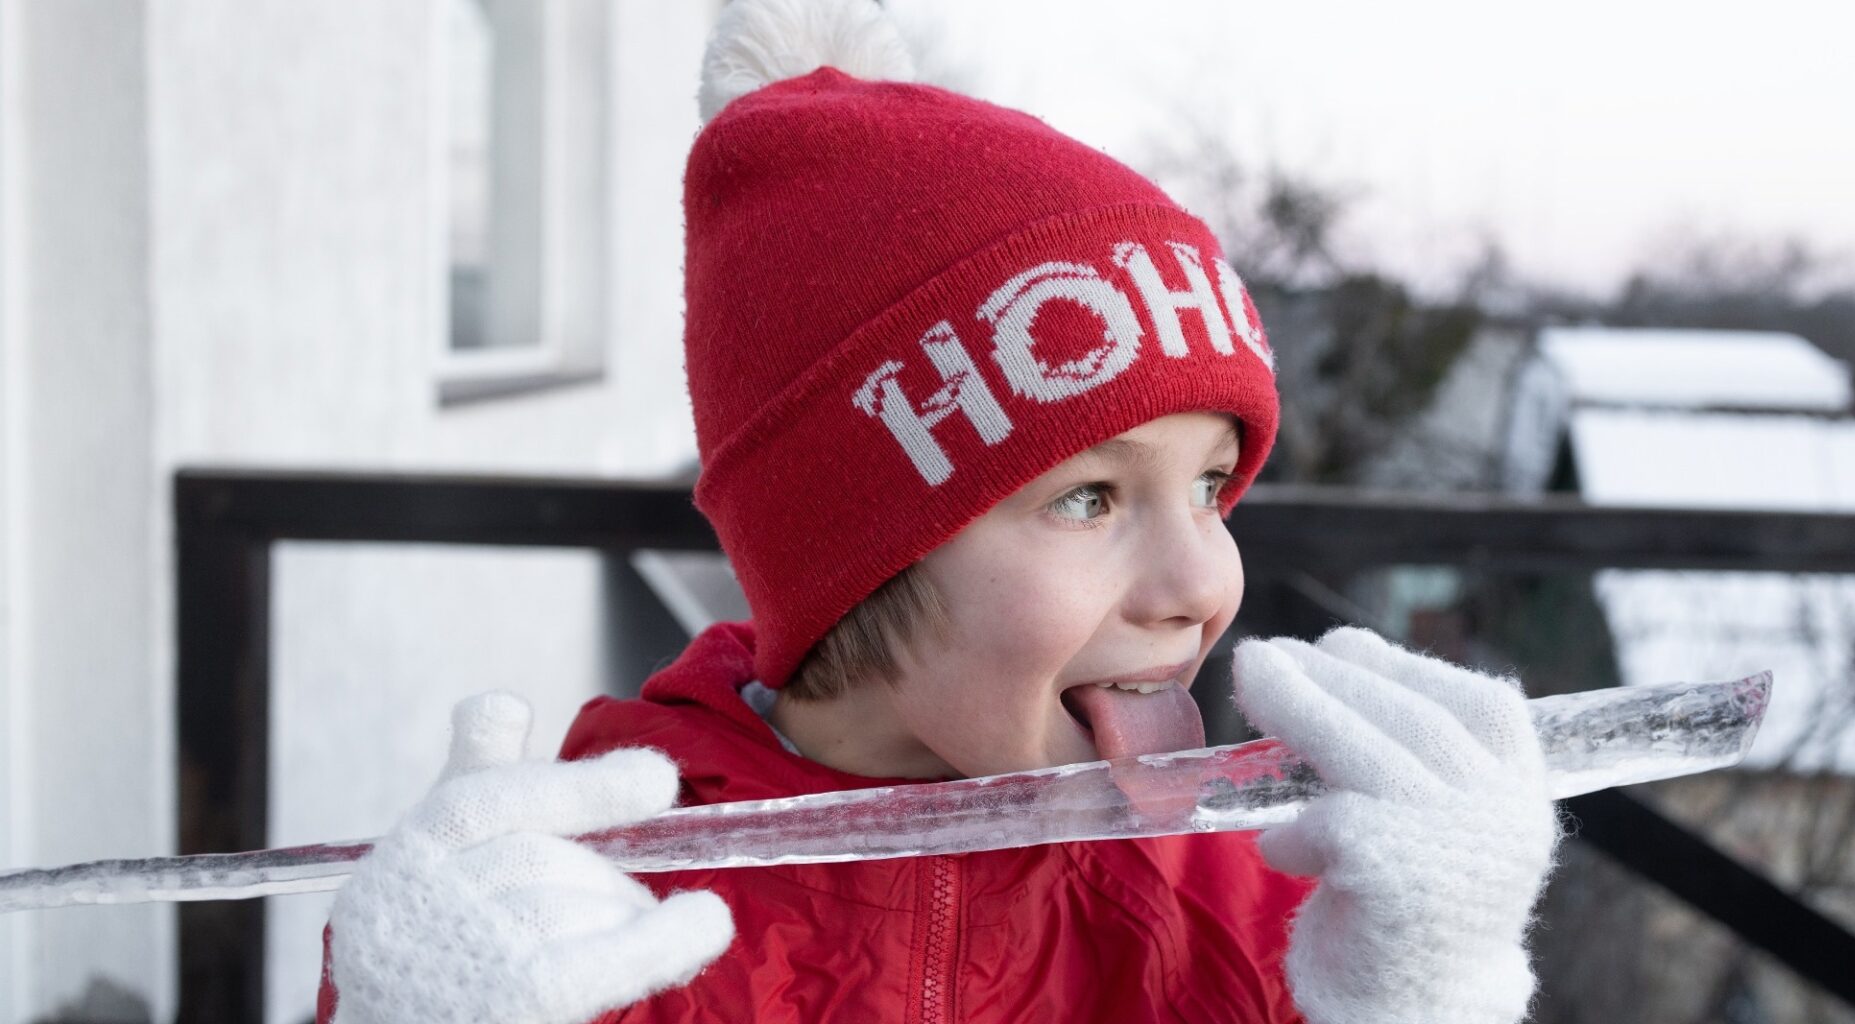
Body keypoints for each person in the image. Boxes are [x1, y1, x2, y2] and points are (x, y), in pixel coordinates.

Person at [317, 1, 1561, 1021]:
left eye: (1207, 484)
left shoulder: (1265, 916)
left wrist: (1433, 989)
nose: (1204, 581)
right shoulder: (574, 915)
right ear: (854, 552)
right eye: (1089, 495)